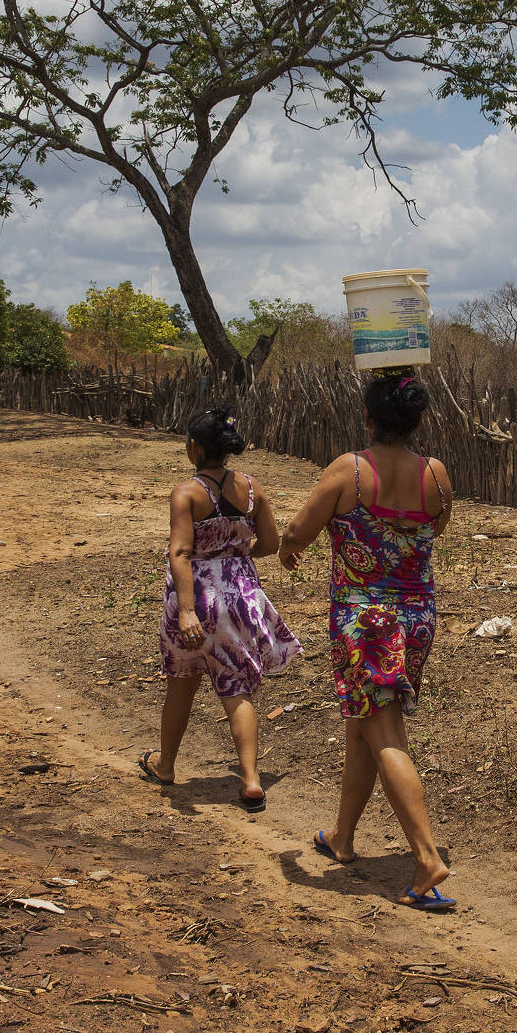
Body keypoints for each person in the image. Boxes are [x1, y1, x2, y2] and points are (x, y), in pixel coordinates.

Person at [278, 368, 456, 910]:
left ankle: (426, 858)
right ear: (417, 419)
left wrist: (290, 550)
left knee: (383, 732)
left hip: (366, 618)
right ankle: (343, 838)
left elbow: (298, 532)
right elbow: (435, 528)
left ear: (368, 418)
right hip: (418, 614)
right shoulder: (436, 474)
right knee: (362, 722)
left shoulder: (350, 472)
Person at [148, 407, 301, 810]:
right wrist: (235, 555)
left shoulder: (187, 493)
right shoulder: (251, 490)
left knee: (181, 683)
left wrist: (186, 610)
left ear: (194, 447)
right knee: (238, 688)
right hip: (241, 597)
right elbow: (268, 543)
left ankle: (166, 765)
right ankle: (251, 780)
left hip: (197, 597)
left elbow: (179, 553)